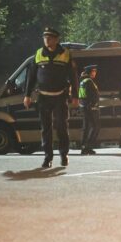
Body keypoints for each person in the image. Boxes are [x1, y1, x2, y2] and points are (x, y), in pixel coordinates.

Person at [22, 26, 78, 169]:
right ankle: (48, 157)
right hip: (44, 97)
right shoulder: (39, 53)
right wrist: (27, 95)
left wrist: (75, 96)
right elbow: (31, 76)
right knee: (45, 129)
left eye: (50, 38)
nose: (47, 40)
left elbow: (73, 76)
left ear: (57, 39)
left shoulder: (66, 54)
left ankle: (64, 154)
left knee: (61, 127)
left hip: (60, 96)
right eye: (45, 38)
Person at [78, 64, 101, 155]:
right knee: (95, 127)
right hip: (90, 108)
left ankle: (84, 147)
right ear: (90, 72)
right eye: (94, 71)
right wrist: (93, 104)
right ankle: (88, 146)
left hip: (84, 107)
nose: (95, 73)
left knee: (86, 127)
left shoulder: (83, 81)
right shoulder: (89, 81)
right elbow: (91, 95)